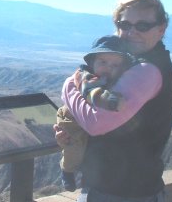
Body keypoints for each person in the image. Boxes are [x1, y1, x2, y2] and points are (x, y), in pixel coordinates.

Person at [54, 0, 172, 202]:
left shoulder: (147, 70)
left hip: (121, 193)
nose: (132, 32)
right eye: (124, 25)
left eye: (143, 25)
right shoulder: (130, 63)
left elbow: (95, 122)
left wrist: (69, 87)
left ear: (161, 29)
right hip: (119, 189)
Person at [57, 35, 135, 192]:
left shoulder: (114, 78)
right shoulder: (85, 76)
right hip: (71, 117)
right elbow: (92, 93)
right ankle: (67, 170)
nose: (108, 67)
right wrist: (112, 101)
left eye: (115, 64)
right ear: (92, 62)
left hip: (84, 115)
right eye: (103, 62)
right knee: (75, 144)